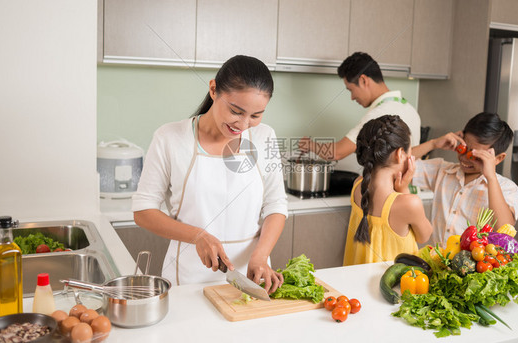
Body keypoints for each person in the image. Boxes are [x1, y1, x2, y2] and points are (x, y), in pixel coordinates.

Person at [132, 55, 288, 294]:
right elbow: (143, 212)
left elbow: (276, 204)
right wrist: (197, 235)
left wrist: (261, 255)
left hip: (250, 279)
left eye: (256, 115)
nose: (244, 124)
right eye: (236, 111)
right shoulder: (170, 138)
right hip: (188, 281)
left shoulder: (264, 137)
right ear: (214, 89)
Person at [411, 112, 518, 246]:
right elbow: (397, 164)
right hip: (437, 262)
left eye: (476, 156)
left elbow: (505, 232)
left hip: (476, 265)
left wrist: (490, 178)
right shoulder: (442, 171)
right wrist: (433, 144)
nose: (465, 158)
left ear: (498, 158)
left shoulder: (507, 188)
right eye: (463, 150)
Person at [343, 115, 432, 265]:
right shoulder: (409, 203)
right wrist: (404, 189)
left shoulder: (358, 185)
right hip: (391, 287)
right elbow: (425, 236)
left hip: (353, 284)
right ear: (399, 154)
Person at [299, 52, 421, 160]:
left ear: (363, 80)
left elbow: (337, 153)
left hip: (388, 186)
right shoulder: (409, 108)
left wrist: (309, 145)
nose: (352, 97)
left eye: (351, 90)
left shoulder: (381, 114)